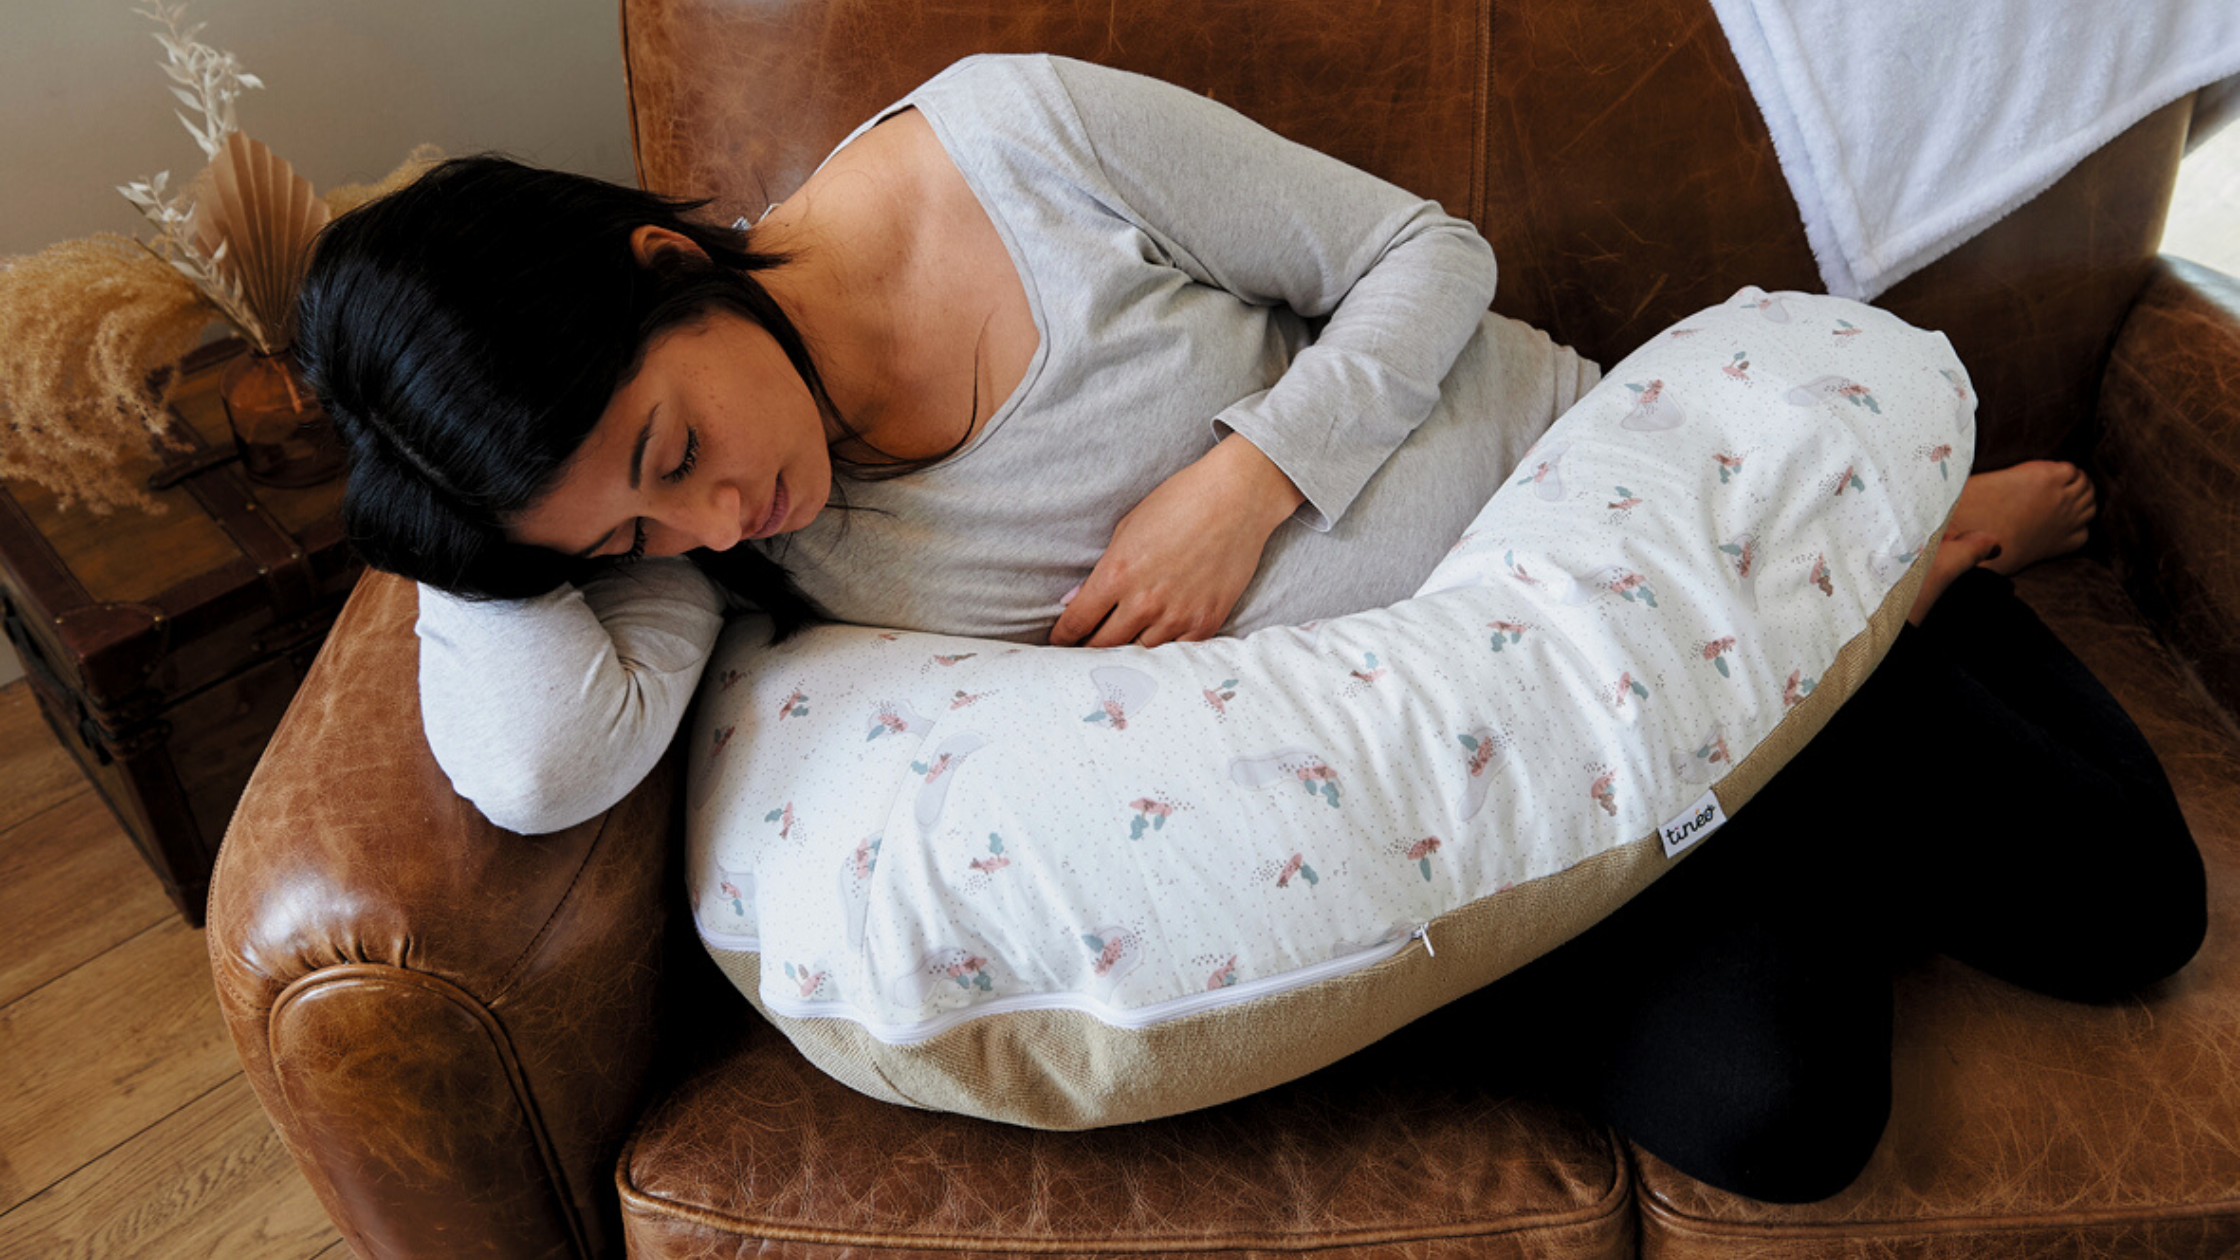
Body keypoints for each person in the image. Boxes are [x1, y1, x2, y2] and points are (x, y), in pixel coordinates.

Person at [294, 53, 2204, 1203]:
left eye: (675, 447)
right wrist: (456, 523)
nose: (717, 521)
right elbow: (541, 759)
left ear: (662, 259)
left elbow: (1424, 255)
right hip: (1466, 751)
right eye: (639, 524)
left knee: (2130, 910)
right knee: (1780, 1115)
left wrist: (1249, 479)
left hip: (1613, 515)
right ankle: (1826, 664)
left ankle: (1878, 573)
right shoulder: (677, 530)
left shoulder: (1012, 142)